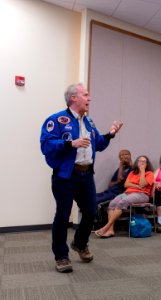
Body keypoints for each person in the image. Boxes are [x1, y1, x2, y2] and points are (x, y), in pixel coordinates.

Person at [40, 83, 123, 273]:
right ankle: (61, 256)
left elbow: (99, 145)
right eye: (86, 94)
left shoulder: (89, 122)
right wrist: (71, 143)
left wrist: (110, 134)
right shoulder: (56, 120)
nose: (89, 98)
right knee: (63, 215)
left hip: (86, 175)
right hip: (66, 176)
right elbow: (46, 145)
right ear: (73, 98)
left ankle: (79, 243)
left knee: (91, 211)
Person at [94, 155, 154, 238]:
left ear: (147, 164)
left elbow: (142, 184)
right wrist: (137, 186)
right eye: (140, 161)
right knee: (112, 204)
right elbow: (126, 184)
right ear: (137, 162)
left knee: (123, 202)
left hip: (142, 195)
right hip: (128, 193)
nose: (142, 163)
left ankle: (106, 227)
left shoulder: (149, 174)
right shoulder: (133, 173)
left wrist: (143, 171)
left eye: (144, 161)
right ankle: (110, 230)